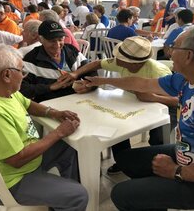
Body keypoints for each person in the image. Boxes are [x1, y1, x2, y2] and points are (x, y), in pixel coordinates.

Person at [85, 25, 194, 210]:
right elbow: (142, 83)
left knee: (122, 194)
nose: (169, 52)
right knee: (126, 160)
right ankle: (156, 196)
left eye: (174, 47)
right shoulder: (192, 77)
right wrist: (100, 80)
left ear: (188, 56)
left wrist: (175, 171)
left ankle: (156, 194)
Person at [0, 44, 88, 210]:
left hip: (24, 159)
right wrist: (58, 132)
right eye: (22, 71)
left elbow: (28, 104)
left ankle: (60, 200)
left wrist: (54, 113)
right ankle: (67, 199)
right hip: (9, 180)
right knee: (79, 196)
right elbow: (17, 159)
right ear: (7, 74)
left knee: (69, 146)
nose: (24, 76)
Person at [60, 36, 176, 174]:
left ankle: (156, 165)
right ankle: (123, 160)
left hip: (163, 107)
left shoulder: (158, 72)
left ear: (133, 63)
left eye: (120, 58)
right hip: (133, 102)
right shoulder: (122, 62)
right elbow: (97, 63)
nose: (116, 60)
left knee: (158, 137)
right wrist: (75, 73)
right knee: (115, 126)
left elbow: (178, 100)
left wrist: (153, 97)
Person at [20, 20, 96, 102]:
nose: (57, 45)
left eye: (60, 39)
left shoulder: (72, 51)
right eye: (52, 41)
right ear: (40, 39)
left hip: (77, 99)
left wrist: (88, 84)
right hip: (49, 103)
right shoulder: (31, 59)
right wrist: (50, 87)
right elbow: (22, 89)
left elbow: (92, 71)